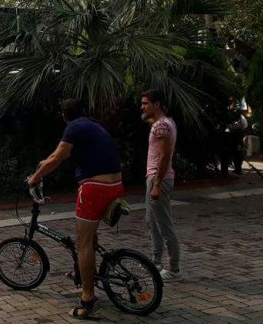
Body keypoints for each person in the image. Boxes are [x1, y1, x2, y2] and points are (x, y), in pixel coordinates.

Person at [26, 99, 122, 320]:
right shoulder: (92, 124)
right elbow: (55, 155)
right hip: (114, 184)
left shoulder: (73, 127)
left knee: (83, 244)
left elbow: (57, 159)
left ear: (63, 114)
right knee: (90, 235)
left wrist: (34, 179)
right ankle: (87, 273)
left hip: (95, 188)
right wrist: (44, 163)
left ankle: (88, 298)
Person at [140, 89, 182, 281]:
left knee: (164, 226)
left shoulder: (162, 126)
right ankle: (155, 262)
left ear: (157, 104)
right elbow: (148, 120)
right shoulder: (162, 124)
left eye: (146, 103)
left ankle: (174, 269)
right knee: (152, 222)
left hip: (159, 178)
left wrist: (156, 184)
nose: (142, 107)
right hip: (155, 178)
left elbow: (164, 157)